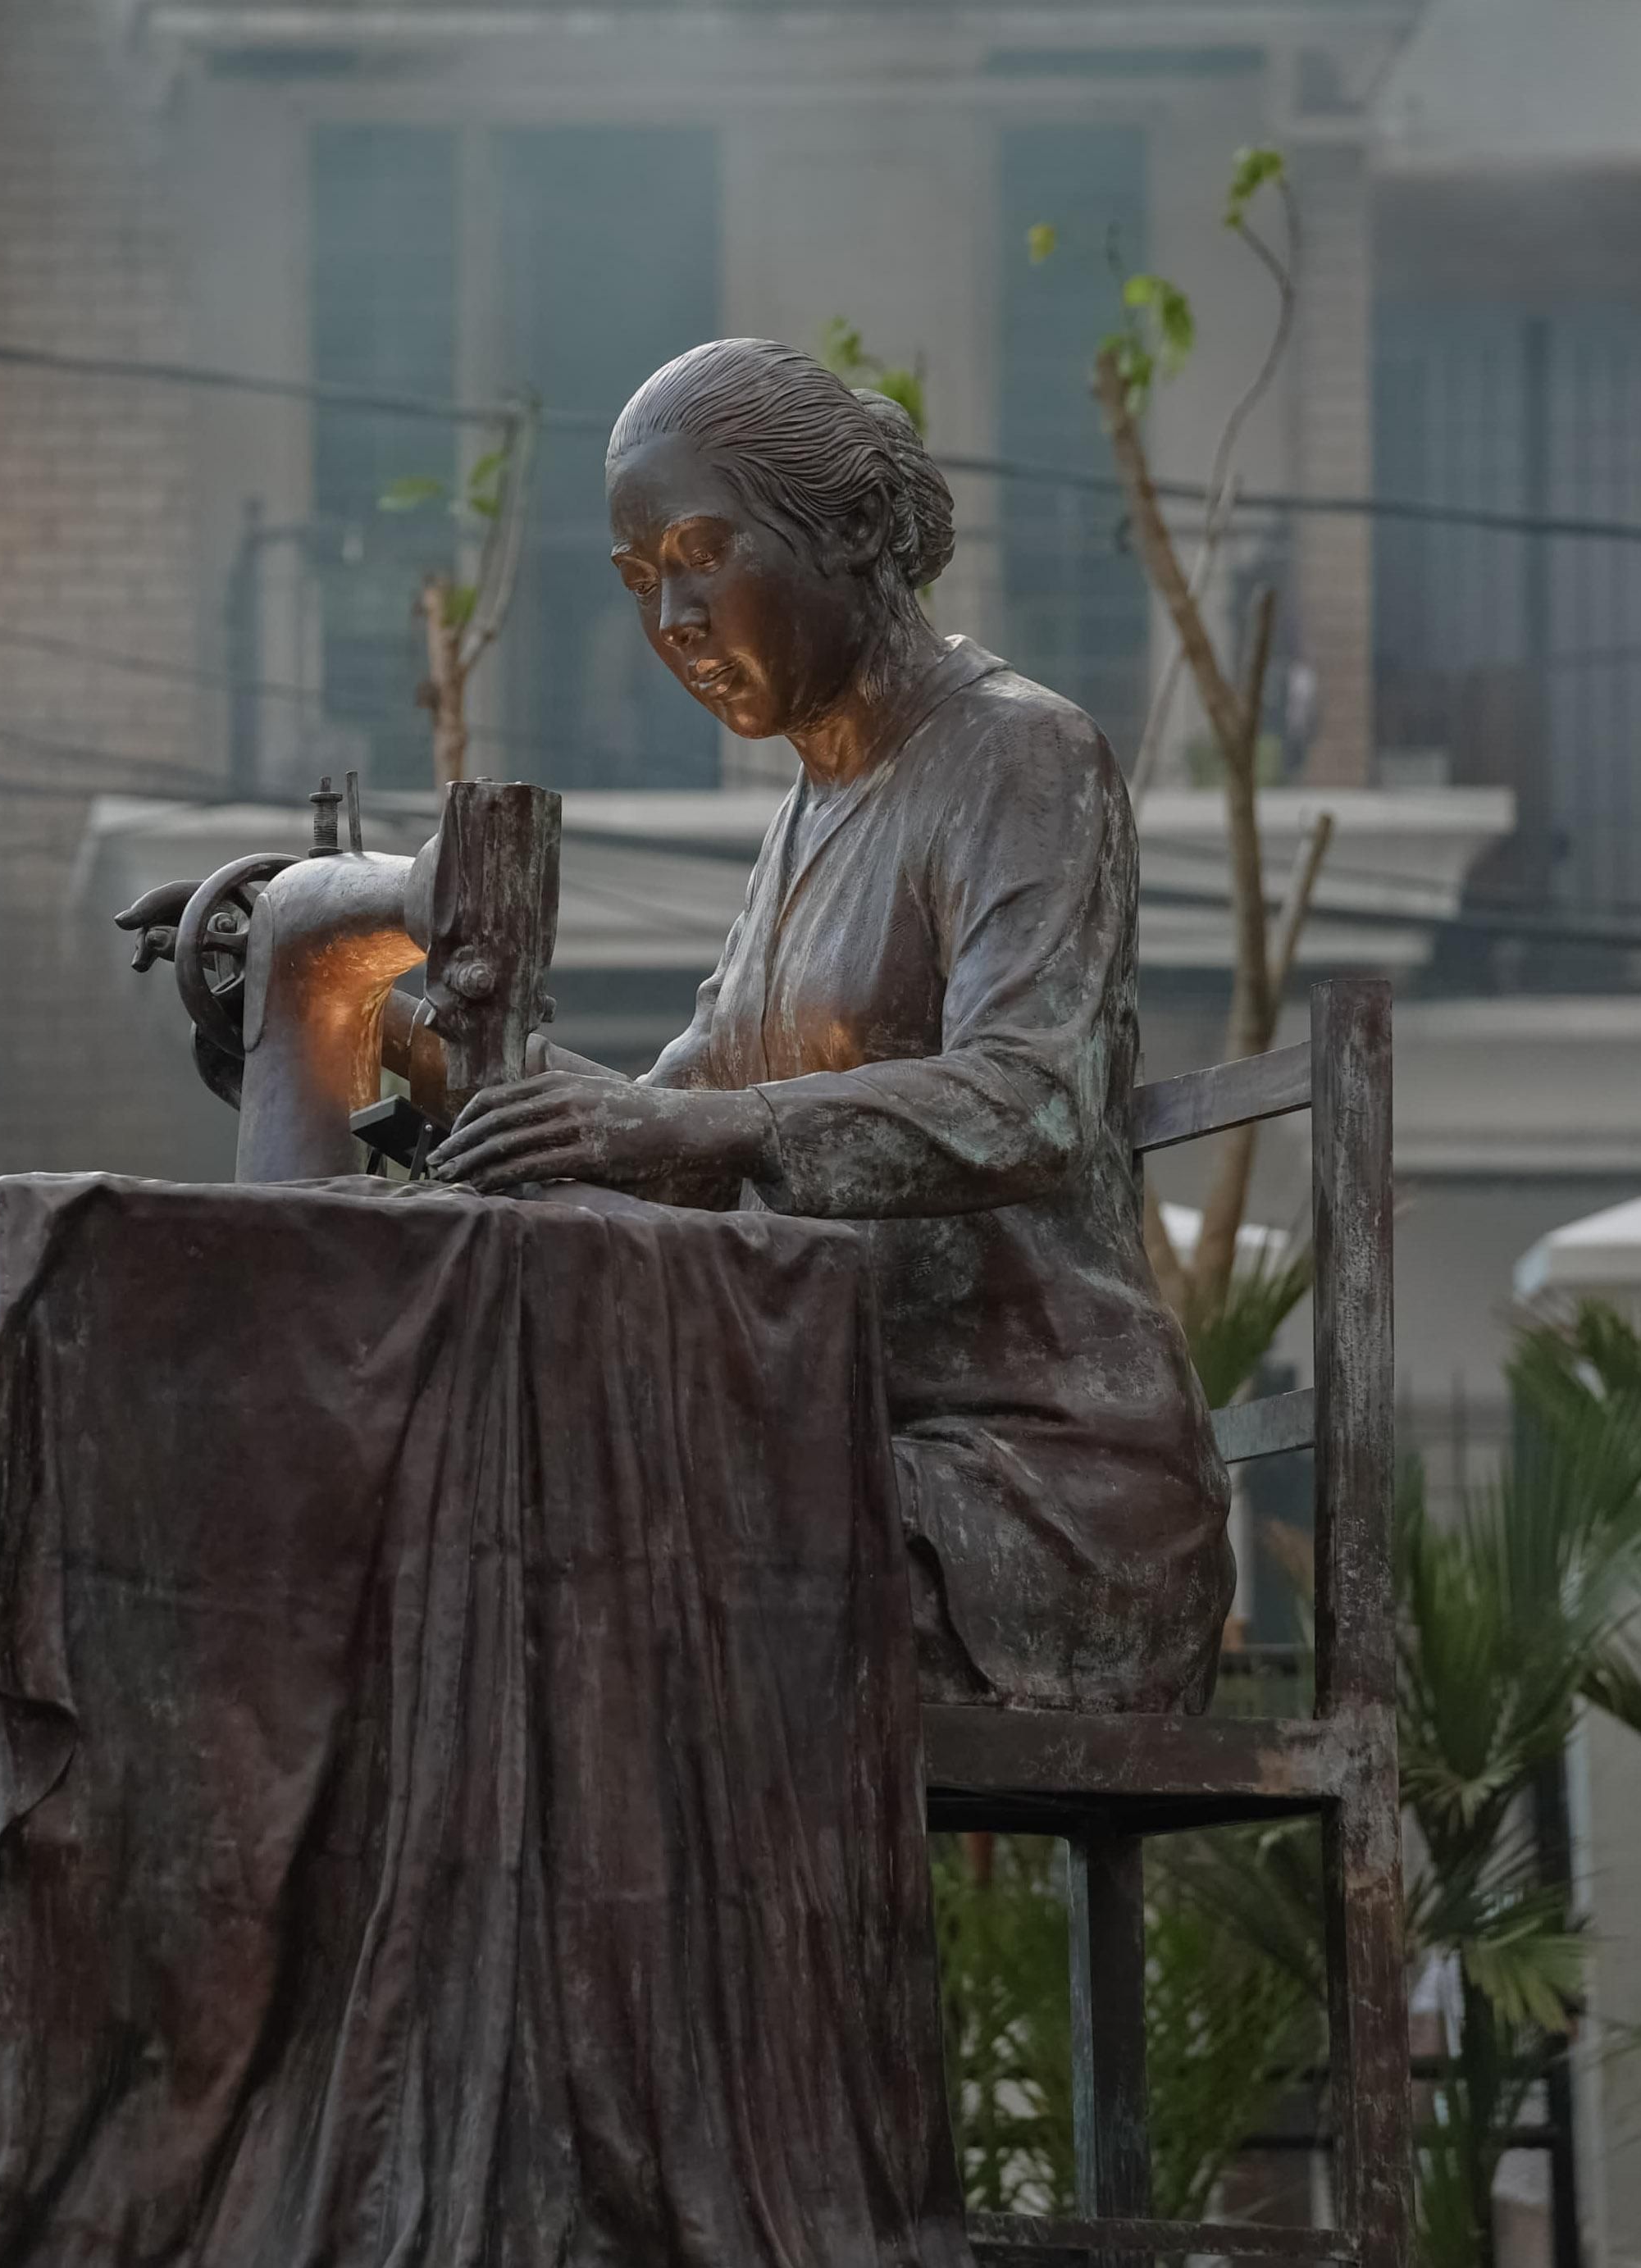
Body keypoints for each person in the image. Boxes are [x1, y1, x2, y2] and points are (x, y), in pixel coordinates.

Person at [427, 336, 1230, 1711]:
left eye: (699, 551)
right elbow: (659, 1129)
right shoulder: (810, 813)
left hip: (1041, 1495)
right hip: (846, 1449)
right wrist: (368, 997)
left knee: (603, 1593)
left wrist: (680, 1121)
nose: (671, 613)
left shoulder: (1020, 755)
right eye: (637, 581)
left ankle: (718, 1936)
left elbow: (1027, 1096)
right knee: (500, 1547)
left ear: (851, 529)